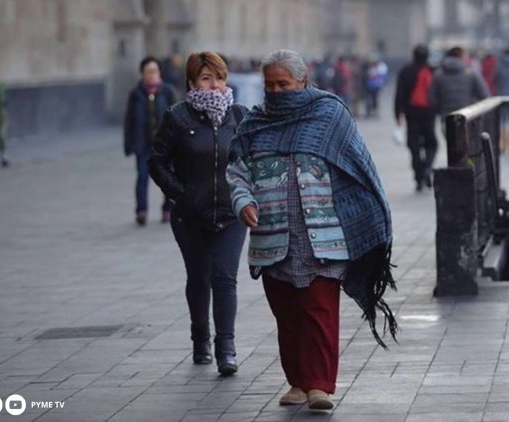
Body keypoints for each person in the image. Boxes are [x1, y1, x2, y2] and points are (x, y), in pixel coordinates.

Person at [226, 49, 397, 410]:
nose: (275, 92)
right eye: (269, 85)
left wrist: (363, 215)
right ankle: (297, 383)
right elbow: (238, 171)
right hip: (272, 237)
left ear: (302, 81)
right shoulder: (254, 125)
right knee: (287, 314)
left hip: (323, 235)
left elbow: (356, 166)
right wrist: (243, 202)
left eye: (283, 84)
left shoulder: (329, 115)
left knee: (318, 310)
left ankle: (320, 385)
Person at [149, 52, 248, 375]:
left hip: (231, 215)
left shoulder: (239, 116)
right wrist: (181, 193)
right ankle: (200, 338)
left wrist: (246, 195)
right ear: (192, 82)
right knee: (199, 277)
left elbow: (253, 160)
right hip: (190, 216)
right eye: (207, 78)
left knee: (224, 276)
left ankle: (227, 348)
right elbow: (157, 162)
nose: (215, 85)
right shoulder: (178, 117)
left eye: (220, 77)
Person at [124, 56, 177, 226]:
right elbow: (129, 120)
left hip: (165, 145)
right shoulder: (136, 94)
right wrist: (128, 144)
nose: (151, 75)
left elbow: (177, 119)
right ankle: (141, 210)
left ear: (159, 72)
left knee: (168, 177)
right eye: (147, 72)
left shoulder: (168, 92)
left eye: (154, 71)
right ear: (142, 74)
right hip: (143, 143)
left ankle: (167, 209)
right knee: (142, 177)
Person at [395, 45, 438, 192]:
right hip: (429, 113)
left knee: (414, 146)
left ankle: (418, 177)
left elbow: (399, 94)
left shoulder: (405, 71)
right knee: (431, 143)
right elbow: (438, 93)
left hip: (411, 113)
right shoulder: (433, 70)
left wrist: (397, 114)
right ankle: (427, 168)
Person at [429, 47, 490, 121]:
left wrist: (439, 110)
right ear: (461, 57)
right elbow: (484, 95)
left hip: (446, 116)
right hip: (468, 115)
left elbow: (432, 97)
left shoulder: (438, 74)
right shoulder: (471, 74)